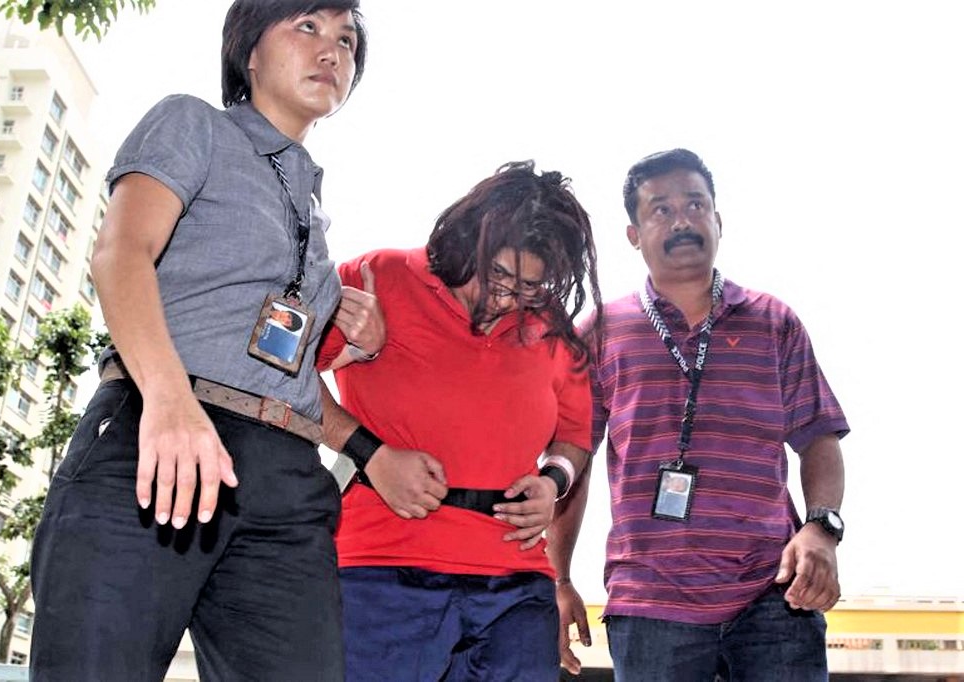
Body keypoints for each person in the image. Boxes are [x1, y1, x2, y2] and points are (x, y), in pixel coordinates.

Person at [27, 2, 407, 680]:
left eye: (347, 41)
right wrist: (169, 400)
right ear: (248, 51)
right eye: (308, 28)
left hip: (286, 481)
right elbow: (121, 252)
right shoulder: (193, 123)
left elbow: (278, 375)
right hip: (159, 441)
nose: (332, 51)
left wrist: (362, 409)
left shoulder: (313, 210)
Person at [548, 149, 849, 681]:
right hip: (650, 600)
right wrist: (558, 579)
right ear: (633, 234)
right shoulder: (600, 331)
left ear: (718, 220)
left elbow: (820, 438)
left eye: (695, 204)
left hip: (775, 596)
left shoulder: (774, 322)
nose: (682, 220)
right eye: (660, 210)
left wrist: (822, 529)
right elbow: (573, 459)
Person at [316, 160, 603, 681]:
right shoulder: (379, 276)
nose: (506, 299)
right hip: (380, 572)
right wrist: (370, 455)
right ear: (469, 239)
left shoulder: (552, 325)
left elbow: (575, 435)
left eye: (529, 287)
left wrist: (552, 482)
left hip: (517, 586)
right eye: (498, 275)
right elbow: (279, 377)